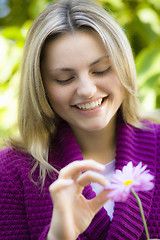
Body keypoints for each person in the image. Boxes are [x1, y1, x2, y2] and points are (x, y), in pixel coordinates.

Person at [0, 0, 160, 239]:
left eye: (102, 69)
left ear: (124, 67)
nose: (86, 90)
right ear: (41, 87)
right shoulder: (11, 173)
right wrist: (58, 235)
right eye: (64, 79)